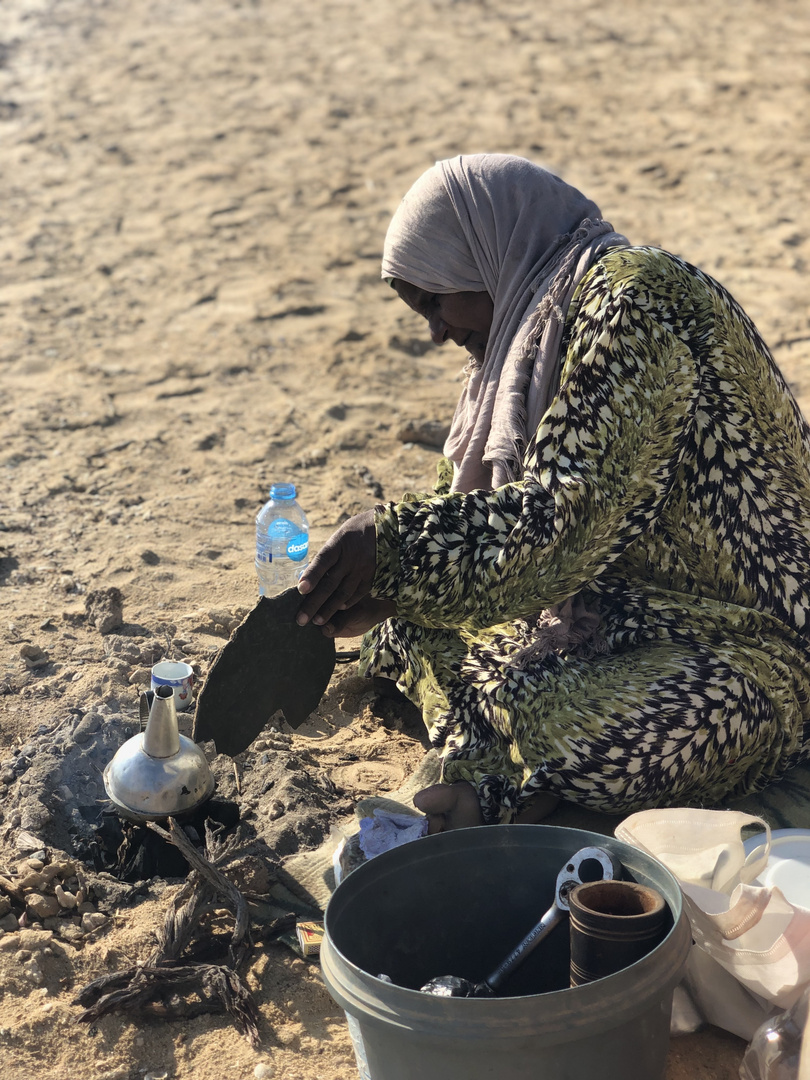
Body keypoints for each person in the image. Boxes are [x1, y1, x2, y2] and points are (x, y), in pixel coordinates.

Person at [295, 153, 810, 834]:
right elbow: (471, 510)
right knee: (408, 626)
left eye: (435, 300)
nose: (437, 330)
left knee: (675, 719)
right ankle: (518, 769)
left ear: (487, 254)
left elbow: (561, 524)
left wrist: (390, 547)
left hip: (743, 640)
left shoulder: (635, 304)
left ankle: (514, 774)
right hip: (615, 609)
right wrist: (386, 589)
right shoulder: (530, 330)